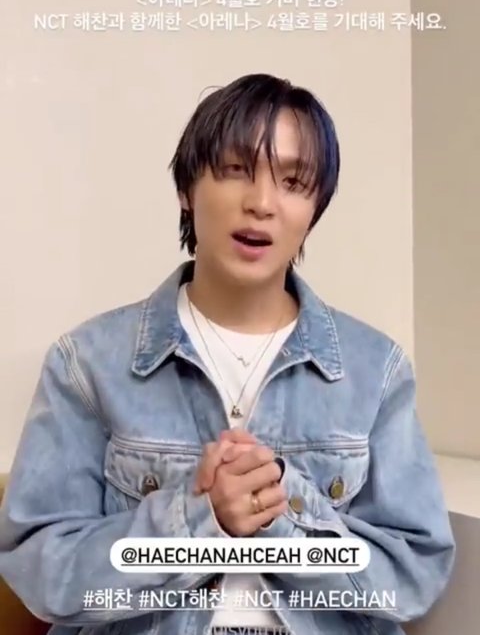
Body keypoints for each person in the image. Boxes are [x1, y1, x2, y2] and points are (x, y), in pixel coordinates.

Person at [0, 73, 455, 635]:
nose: (261, 203)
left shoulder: (374, 370)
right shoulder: (88, 363)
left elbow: (411, 574)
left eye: (293, 181)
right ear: (187, 190)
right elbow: (42, 570)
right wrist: (199, 523)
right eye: (236, 169)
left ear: (315, 207)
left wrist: (282, 514)